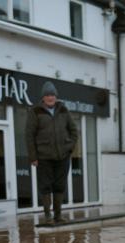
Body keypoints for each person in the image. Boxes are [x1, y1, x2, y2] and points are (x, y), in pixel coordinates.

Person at [25, 81, 78, 224]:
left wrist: (69, 148)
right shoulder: (35, 111)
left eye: (53, 95)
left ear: (56, 96)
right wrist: (33, 157)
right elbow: (29, 135)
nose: (50, 97)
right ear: (43, 97)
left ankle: (58, 215)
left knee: (60, 185)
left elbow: (74, 131)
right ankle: (48, 216)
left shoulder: (63, 110)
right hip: (43, 157)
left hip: (62, 156)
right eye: (48, 95)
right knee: (46, 186)